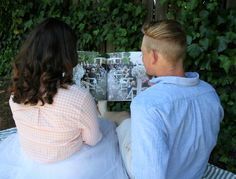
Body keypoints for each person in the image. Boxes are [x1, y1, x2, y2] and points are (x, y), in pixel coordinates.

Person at [0, 18, 128, 179]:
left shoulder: (16, 92)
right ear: (67, 54)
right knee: (109, 130)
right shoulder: (79, 97)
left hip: (29, 157)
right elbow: (93, 140)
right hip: (71, 167)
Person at [130, 20, 224, 179]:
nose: (142, 57)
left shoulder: (146, 105)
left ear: (153, 56)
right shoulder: (209, 92)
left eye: (142, 53)